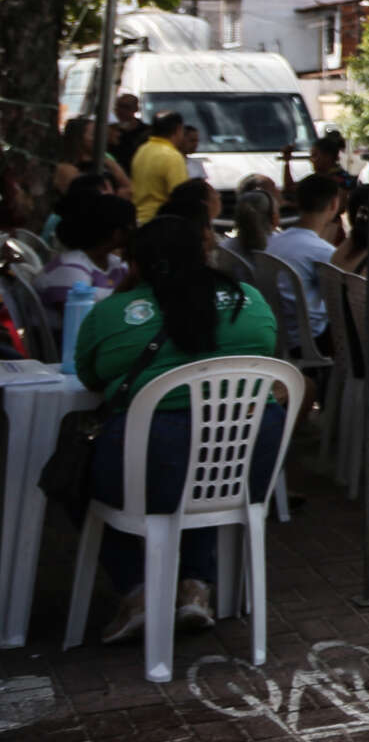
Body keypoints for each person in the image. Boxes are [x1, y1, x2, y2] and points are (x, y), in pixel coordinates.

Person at [72, 213, 287, 646]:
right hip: (243, 467)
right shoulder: (247, 301)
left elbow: (90, 377)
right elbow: (267, 350)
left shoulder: (111, 314)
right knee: (209, 453)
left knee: (71, 478)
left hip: (148, 467)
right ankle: (196, 586)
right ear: (203, 253)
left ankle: (137, 591)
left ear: (136, 264)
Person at [38, 191, 135, 332]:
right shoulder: (69, 267)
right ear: (117, 233)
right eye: (132, 226)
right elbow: (83, 323)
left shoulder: (117, 264)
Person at [266, 175, 343, 350]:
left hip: (276, 332)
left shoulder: (274, 241)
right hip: (309, 339)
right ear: (333, 204)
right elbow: (337, 302)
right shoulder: (322, 251)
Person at [129, 112, 189, 223]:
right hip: (159, 222)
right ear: (178, 129)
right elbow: (181, 197)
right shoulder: (172, 156)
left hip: (137, 219)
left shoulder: (142, 150)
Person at [55, 116, 133, 201]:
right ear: (79, 138)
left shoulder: (106, 162)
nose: (101, 138)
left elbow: (129, 190)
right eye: (94, 134)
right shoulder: (67, 169)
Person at [106, 92, 147, 172]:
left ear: (135, 109)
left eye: (126, 107)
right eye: (119, 107)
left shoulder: (145, 131)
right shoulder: (109, 130)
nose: (121, 111)